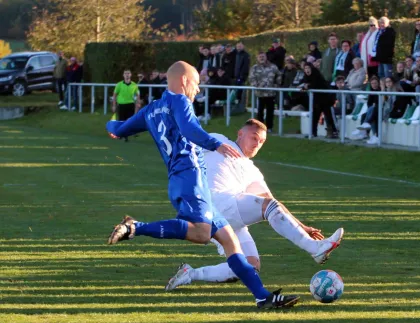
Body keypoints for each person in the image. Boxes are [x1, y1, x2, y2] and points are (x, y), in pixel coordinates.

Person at [105, 61, 300, 309]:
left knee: (230, 240)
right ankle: (135, 228)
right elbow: (189, 129)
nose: (197, 90)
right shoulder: (179, 101)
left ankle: (263, 297)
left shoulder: (151, 109)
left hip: (184, 180)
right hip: (191, 177)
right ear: (185, 81)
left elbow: (120, 128)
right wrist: (213, 143)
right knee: (200, 233)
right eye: (196, 83)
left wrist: (110, 126)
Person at [166, 119, 344, 287]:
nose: (257, 144)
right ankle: (314, 248)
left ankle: (190, 274)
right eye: (254, 138)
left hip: (229, 213)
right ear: (240, 134)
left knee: (250, 267)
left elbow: (274, 204)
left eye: (261, 142)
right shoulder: (220, 141)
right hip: (214, 203)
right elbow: (190, 138)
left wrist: (302, 226)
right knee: (267, 206)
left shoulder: (252, 171)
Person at [301, 63, 337, 138]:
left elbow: (314, 85)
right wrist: (305, 86)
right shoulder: (306, 77)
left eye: (308, 68)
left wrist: (307, 86)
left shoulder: (316, 75)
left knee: (327, 115)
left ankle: (333, 132)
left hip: (325, 98)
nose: (307, 70)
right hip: (317, 99)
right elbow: (305, 85)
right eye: (305, 68)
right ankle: (313, 132)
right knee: (315, 116)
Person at [249, 52, 281, 133]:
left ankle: (269, 127)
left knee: (270, 111)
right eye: (260, 57)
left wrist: (276, 85)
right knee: (260, 112)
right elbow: (251, 78)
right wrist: (256, 85)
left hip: (271, 93)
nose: (261, 58)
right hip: (260, 94)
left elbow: (279, 76)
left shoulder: (273, 67)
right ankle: (260, 128)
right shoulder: (255, 68)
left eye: (263, 56)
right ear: (257, 58)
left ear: (266, 57)